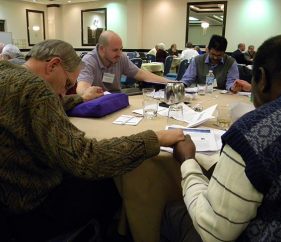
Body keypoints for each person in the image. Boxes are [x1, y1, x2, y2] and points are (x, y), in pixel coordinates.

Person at [0, 39, 185, 241]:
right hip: (31, 208)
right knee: (112, 184)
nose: (64, 91)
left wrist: (79, 98)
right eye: (68, 84)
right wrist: (154, 139)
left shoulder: (9, 73)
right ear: (53, 65)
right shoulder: (36, 87)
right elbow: (85, 158)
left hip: (8, 200)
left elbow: (37, 105)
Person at [160, 33, 281, 242]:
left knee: (171, 210)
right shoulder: (197, 62)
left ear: (261, 78)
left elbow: (214, 231)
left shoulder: (254, 132)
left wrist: (188, 162)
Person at [76, 31, 168, 94]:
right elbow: (82, 88)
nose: (119, 53)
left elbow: (141, 74)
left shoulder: (120, 57)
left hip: (117, 99)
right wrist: (87, 92)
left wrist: (170, 82)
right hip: (98, 102)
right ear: (102, 49)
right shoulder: (89, 61)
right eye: (115, 50)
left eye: (121, 49)